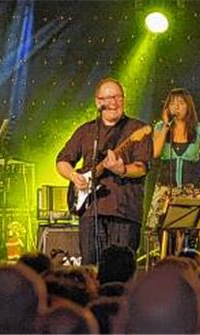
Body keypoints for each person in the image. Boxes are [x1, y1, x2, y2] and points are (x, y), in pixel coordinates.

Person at [56, 77, 152, 265]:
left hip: (124, 212)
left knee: (121, 270)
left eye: (118, 97)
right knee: (90, 269)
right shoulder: (87, 131)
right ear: (98, 102)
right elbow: (62, 161)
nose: (115, 102)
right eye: (109, 98)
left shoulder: (137, 129)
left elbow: (142, 168)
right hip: (91, 212)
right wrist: (74, 176)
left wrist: (121, 169)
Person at [146, 88, 200, 252]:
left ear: (189, 106)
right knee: (165, 235)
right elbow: (155, 153)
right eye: (172, 103)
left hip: (190, 191)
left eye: (180, 103)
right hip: (166, 192)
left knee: (189, 234)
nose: (176, 107)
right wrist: (165, 125)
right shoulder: (160, 127)